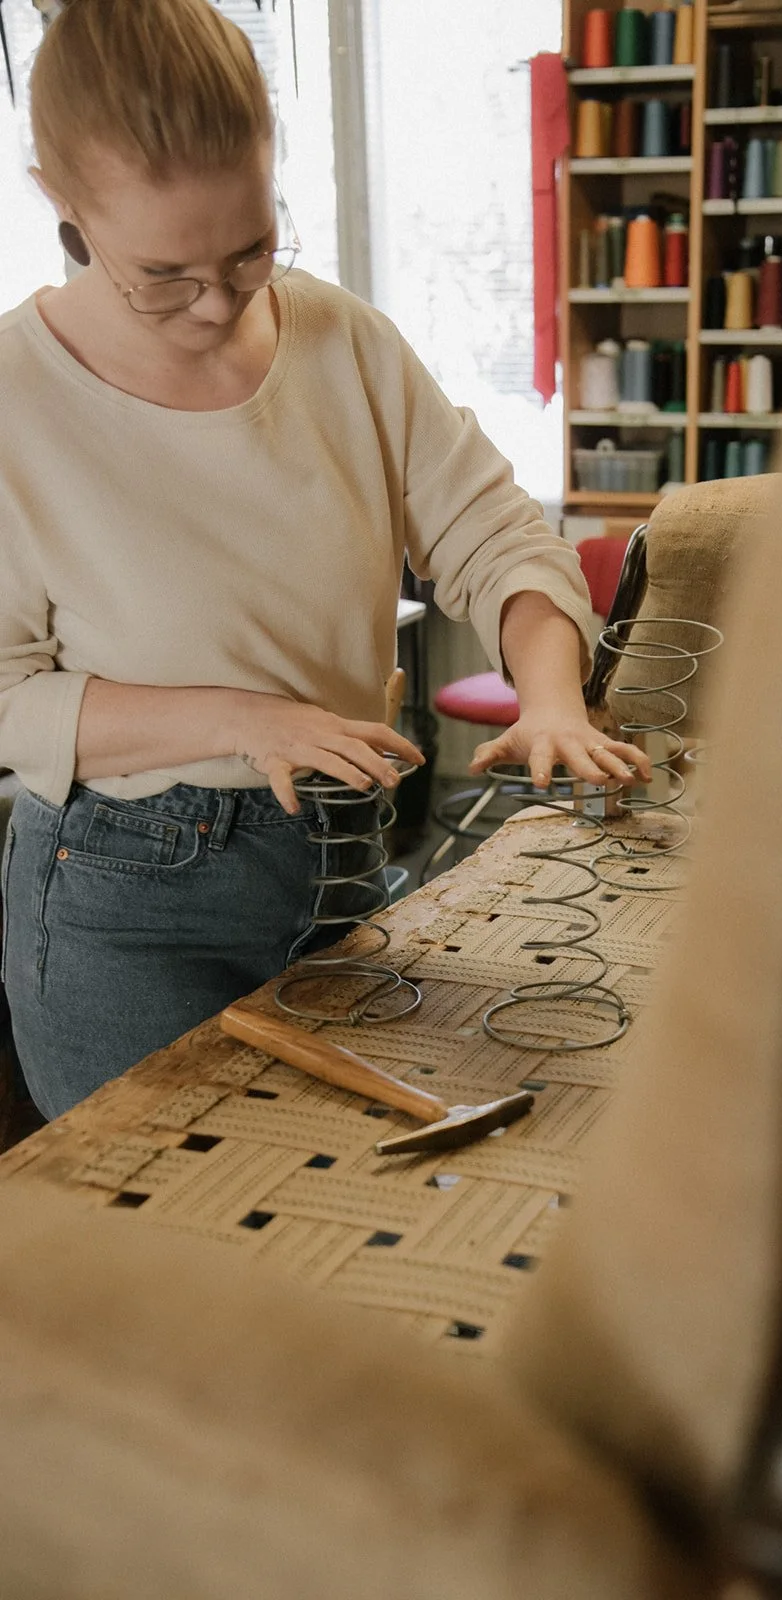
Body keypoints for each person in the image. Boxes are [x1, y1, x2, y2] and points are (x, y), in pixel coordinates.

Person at [0, 0, 649, 1120]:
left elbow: (496, 538)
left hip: (346, 853)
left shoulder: (345, 340)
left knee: (344, 1231)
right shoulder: (16, 399)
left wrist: (553, 700)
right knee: (166, 1262)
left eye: (252, 248)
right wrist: (241, 719)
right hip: (127, 897)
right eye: (163, 273)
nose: (218, 301)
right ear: (59, 195)